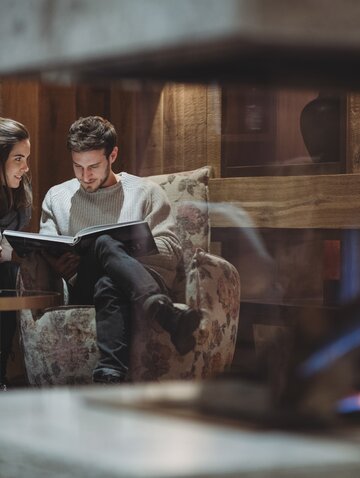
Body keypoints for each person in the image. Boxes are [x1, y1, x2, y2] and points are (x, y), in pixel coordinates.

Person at [40, 115, 201, 384]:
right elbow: (47, 246)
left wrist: (124, 254)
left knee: (108, 278)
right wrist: (55, 264)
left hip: (141, 279)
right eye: (77, 166)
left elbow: (171, 250)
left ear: (112, 155)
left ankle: (109, 374)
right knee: (103, 250)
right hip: (84, 286)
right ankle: (166, 314)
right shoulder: (57, 196)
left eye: (93, 166)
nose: (84, 176)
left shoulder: (146, 192)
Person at [0, 117, 31, 388]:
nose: (25, 167)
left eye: (26, 158)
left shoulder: (19, 197)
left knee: (8, 273)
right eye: (18, 159)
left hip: (5, 271)